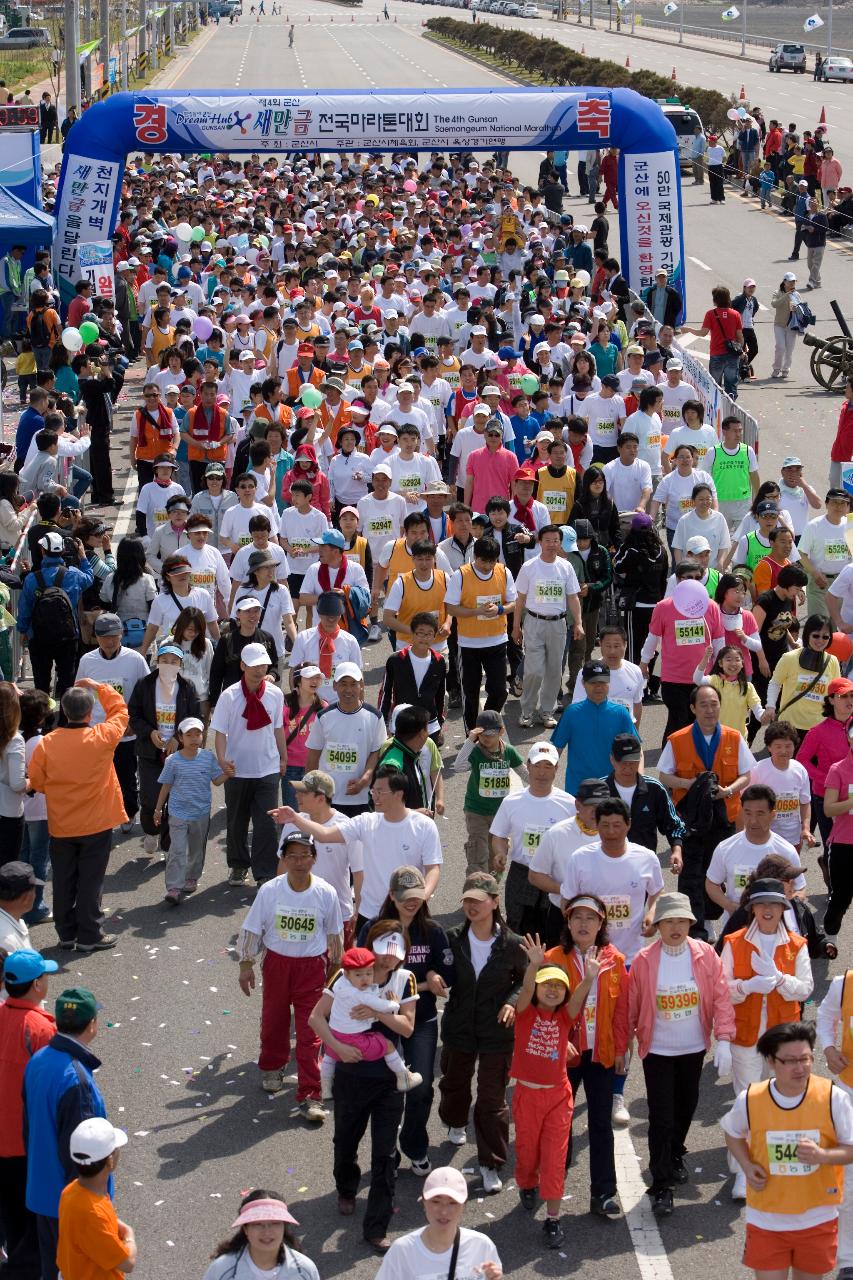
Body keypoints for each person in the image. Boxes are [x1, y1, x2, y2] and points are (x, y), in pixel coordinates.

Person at [309, 921, 417, 1252]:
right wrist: (337, 1049)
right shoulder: (344, 974)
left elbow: (407, 1028)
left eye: (395, 953)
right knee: (345, 1140)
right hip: (351, 1076)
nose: (387, 961)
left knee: (385, 1154)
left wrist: (375, 1009)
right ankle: (346, 1186)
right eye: (383, 952)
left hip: (387, 1080)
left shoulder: (405, 979)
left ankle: (376, 1226)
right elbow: (316, 1018)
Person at [627, 892, 735, 1218]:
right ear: (658, 925)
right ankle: (661, 1186)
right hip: (658, 1050)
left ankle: (675, 1152)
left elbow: (721, 997)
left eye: (681, 921)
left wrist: (725, 1039)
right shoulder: (645, 961)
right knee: (661, 1115)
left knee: (686, 1108)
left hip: (693, 1048)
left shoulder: (705, 955)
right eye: (668, 921)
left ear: (691, 923)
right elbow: (630, 1007)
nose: (675, 927)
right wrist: (621, 1046)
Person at [721, 1020, 853, 1278]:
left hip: (818, 1218)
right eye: (790, 1061)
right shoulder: (750, 1099)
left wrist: (823, 1156)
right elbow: (732, 1132)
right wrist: (746, 1166)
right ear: (771, 1062)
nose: (800, 1067)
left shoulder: (832, 1098)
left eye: (805, 1058)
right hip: (766, 1219)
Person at [720, 879, 815, 1200]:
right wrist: (747, 987)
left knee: (785, 1103)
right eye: (761, 905)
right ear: (753, 909)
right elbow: (722, 990)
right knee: (747, 1104)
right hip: (744, 1036)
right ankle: (743, 1174)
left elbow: (805, 990)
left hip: (782, 1040)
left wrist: (778, 979)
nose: (768, 910)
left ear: (783, 909)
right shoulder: (733, 943)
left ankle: (780, 1168)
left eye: (774, 905)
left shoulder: (797, 945)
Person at [237, 830, 342, 1117]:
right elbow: (252, 929)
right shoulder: (270, 891)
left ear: (314, 859)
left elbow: (334, 934)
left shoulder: (325, 892)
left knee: (311, 1031)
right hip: (277, 966)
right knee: (274, 1020)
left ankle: (311, 1094)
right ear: (283, 859)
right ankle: (273, 1066)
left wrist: (335, 974)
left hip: (312, 969)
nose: (298, 862)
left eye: (304, 856)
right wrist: (246, 966)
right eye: (292, 856)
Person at [437, 872, 526, 1194]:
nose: (472, 906)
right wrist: (434, 977)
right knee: (454, 1083)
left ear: (494, 902)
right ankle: (455, 1120)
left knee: (491, 1099)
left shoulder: (513, 944)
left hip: (497, 1032)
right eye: (467, 900)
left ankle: (491, 1163)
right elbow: (437, 968)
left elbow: (525, 979)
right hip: (459, 1026)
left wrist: (512, 1003)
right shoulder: (451, 937)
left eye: (479, 899)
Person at [274, 765, 442, 931]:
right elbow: (324, 834)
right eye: (373, 791)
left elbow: (433, 868)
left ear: (399, 794)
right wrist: (295, 818)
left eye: (380, 792)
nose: (375, 797)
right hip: (370, 915)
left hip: (409, 913)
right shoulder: (365, 822)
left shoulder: (424, 826)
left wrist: (421, 897)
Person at [544, 892, 629, 1218]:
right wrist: (555, 1041)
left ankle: (604, 1193)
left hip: (601, 1054)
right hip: (564, 1055)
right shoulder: (553, 958)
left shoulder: (614, 960)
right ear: (567, 922)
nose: (583, 923)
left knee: (599, 1124)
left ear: (601, 923)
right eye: (577, 917)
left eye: (590, 918)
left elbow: (621, 1010)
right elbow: (545, 1009)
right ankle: (552, 1179)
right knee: (558, 1122)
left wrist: (621, 1048)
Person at [28, 682, 127, 953]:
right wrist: (100, 687)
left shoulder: (47, 743)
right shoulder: (102, 736)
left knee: (63, 880)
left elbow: (36, 781)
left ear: (63, 711)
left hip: (61, 823)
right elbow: (120, 711)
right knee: (90, 881)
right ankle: (90, 934)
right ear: (89, 712)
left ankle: (66, 934)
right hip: (96, 822)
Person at [23, 987, 111, 1280]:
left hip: (41, 1193)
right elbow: (81, 1157)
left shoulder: (38, 1059)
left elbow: (28, 1128)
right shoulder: (77, 1079)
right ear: (92, 1025)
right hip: (69, 1207)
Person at [658, 683, 755, 937]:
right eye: (703, 705)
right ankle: (694, 926)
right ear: (693, 708)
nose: (710, 710)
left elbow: (747, 774)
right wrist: (687, 784)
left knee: (719, 870)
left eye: (714, 704)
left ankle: (713, 918)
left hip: (725, 815)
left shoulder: (734, 737)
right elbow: (664, 776)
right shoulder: (678, 739)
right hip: (690, 817)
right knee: (691, 873)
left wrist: (730, 790)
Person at [0, 947, 58, 1280]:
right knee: (31, 1222)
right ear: (37, 985)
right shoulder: (40, 1029)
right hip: (25, 1142)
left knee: (9, 1214)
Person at [211, 642, 287, 887]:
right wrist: (222, 760)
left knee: (266, 823)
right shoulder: (229, 695)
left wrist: (283, 757)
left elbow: (278, 728)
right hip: (237, 769)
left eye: (263, 664)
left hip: (267, 768)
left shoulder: (275, 694)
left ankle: (264, 871)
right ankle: (238, 865)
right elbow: (220, 732)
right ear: (243, 666)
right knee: (236, 820)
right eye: (253, 665)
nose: (258, 670)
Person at [489, 741, 576, 939]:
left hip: (554, 875)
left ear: (556, 768)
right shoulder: (511, 802)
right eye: (537, 766)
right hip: (521, 873)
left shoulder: (569, 804)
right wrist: (500, 853)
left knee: (555, 933)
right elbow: (499, 835)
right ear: (528, 765)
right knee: (517, 930)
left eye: (548, 766)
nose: (542, 772)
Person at [375, 1165, 502, 1280]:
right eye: (436, 1202)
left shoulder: (481, 1246)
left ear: (464, 1206)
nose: (444, 1212)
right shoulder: (402, 1251)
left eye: (452, 1203)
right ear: (424, 1202)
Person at [513, 525, 582, 729]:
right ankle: (527, 711)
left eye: (556, 541)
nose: (552, 544)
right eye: (548, 540)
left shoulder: (566, 567)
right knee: (533, 670)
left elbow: (573, 597)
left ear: (560, 543)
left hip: (558, 624)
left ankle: (547, 711)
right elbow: (520, 600)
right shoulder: (529, 567)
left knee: (554, 670)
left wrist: (578, 622)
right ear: (540, 542)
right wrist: (516, 627)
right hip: (534, 622)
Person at [153, 716, 227, 905]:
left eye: (198, 734)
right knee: (177, 850)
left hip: (200, 812)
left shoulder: (208, 757)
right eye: (189, 735)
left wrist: (228, 774)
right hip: (177, 813)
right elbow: (166, 785)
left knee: (196, 849)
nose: (194, 738)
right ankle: (174, 888)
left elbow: (216, 781)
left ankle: (191, 877)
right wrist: (158, 809)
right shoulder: (173, 761)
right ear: (180, 737)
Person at [17, 531, 93, 701]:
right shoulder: (73, 574)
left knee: (41, 682)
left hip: (38, 637)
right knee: (67, 680)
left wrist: (23, 631)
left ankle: (43, 720)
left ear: (43, 551)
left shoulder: (31, 579)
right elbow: (89, 579)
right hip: (67, 636)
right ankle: (66, 720)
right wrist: (82, 556)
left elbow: (25, 609)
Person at [57, 1118, 136, 1280]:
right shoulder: (93, 1215)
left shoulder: (70, 1191)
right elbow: (127, 1263)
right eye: (116, 1149)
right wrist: (129, 1235)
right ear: (110, 1160)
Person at [551, 661, 637, 797]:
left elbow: (635, 750)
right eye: (593, 683)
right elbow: (556, 750)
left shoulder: (621, 714)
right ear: (583, 683)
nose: (598, 687)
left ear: (609, 683)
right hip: (578, 790)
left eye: (603, 682)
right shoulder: (571, 713)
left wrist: (639, 780)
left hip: (612, 789)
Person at [202, 1190, 320, 1280]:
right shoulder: (222, 1269)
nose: (267, 1232)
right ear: (245, 1229)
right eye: (257, 1224)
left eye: (274, 1223)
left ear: (284, 1226)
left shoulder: (305, 1270)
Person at [798, 676, 853, 861]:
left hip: (851, 793)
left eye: (852, 695)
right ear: (831, 700)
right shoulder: (818, 732)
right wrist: (825, 779)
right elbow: (802, 759)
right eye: (843, 696)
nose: (849, 700)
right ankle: (833, 882)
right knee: (834, 844)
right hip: (826, 796)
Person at [766, 614, 841, 738]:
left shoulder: (832, 661)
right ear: (807, 634)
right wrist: (770, 706)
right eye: (816, 635)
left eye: (825, 637)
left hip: (818, 729)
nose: (820, 640)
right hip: (789, 727)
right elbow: (775, 683)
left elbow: (835, 693)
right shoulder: (789, 658)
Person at [682, 285, 745, 400]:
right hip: (732, 355)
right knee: (731, 386)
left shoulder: (711, 314)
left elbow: (703, 333)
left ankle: (717, 411)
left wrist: (688, 329)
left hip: (717, 354)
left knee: (715, 386)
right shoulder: (735, 314)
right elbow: (740, 336)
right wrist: (741, 350)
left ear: (715, 299)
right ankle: (730, 408)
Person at [798, 488, 852, 618]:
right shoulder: (814, 526)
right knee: (820, 625)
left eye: (843, 503)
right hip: (819, 584)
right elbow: (801, 553)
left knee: (838, 629)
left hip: (843, 584)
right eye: (834, 502)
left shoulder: (850, 525)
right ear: (827, 504)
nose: (838, 506)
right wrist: (815, 574)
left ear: (848, 507)